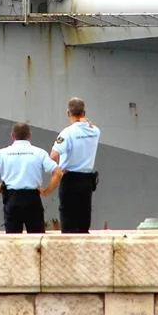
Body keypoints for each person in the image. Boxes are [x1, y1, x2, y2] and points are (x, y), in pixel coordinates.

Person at [0, 122, 61, 233]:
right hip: (32, 199)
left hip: (12, 199)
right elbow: (58, 173)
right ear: (30, 135)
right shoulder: (39, 153)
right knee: (36, 239)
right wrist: (47, 191)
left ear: (12, 136)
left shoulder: (3, 153)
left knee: (13, 240)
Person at [49, 97, 101, 233]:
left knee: (68, 217)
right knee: (84, 216)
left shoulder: (67, 133)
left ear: (68, 113)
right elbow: (90, 125)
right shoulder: (95, 131)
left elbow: (53, 156)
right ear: (84, 113)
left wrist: (56, 172)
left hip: (69, 179)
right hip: (87, 181)